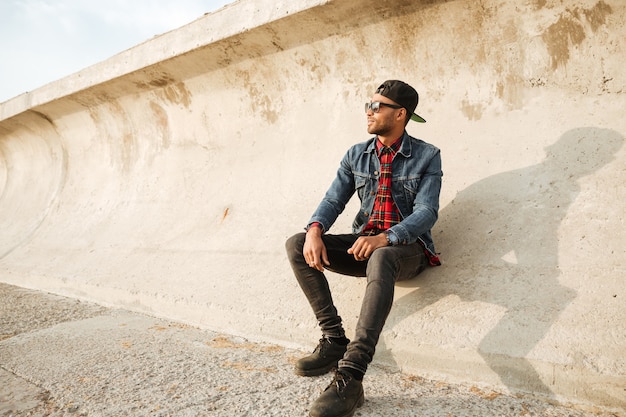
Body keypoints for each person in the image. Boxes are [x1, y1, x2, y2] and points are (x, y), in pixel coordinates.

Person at [285, 80, 443, 417]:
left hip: (405, 249)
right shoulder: (356, 154)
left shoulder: (428, 155)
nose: (369, 112)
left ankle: (351, 375)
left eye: (377, 106)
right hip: (363, 247)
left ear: (400, 114)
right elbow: (333, 200)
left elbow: (427, 212)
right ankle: (333, 340)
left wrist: (386, 238)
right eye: (367, 105)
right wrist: (315, 229)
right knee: (297, 244)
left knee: (384, 254)